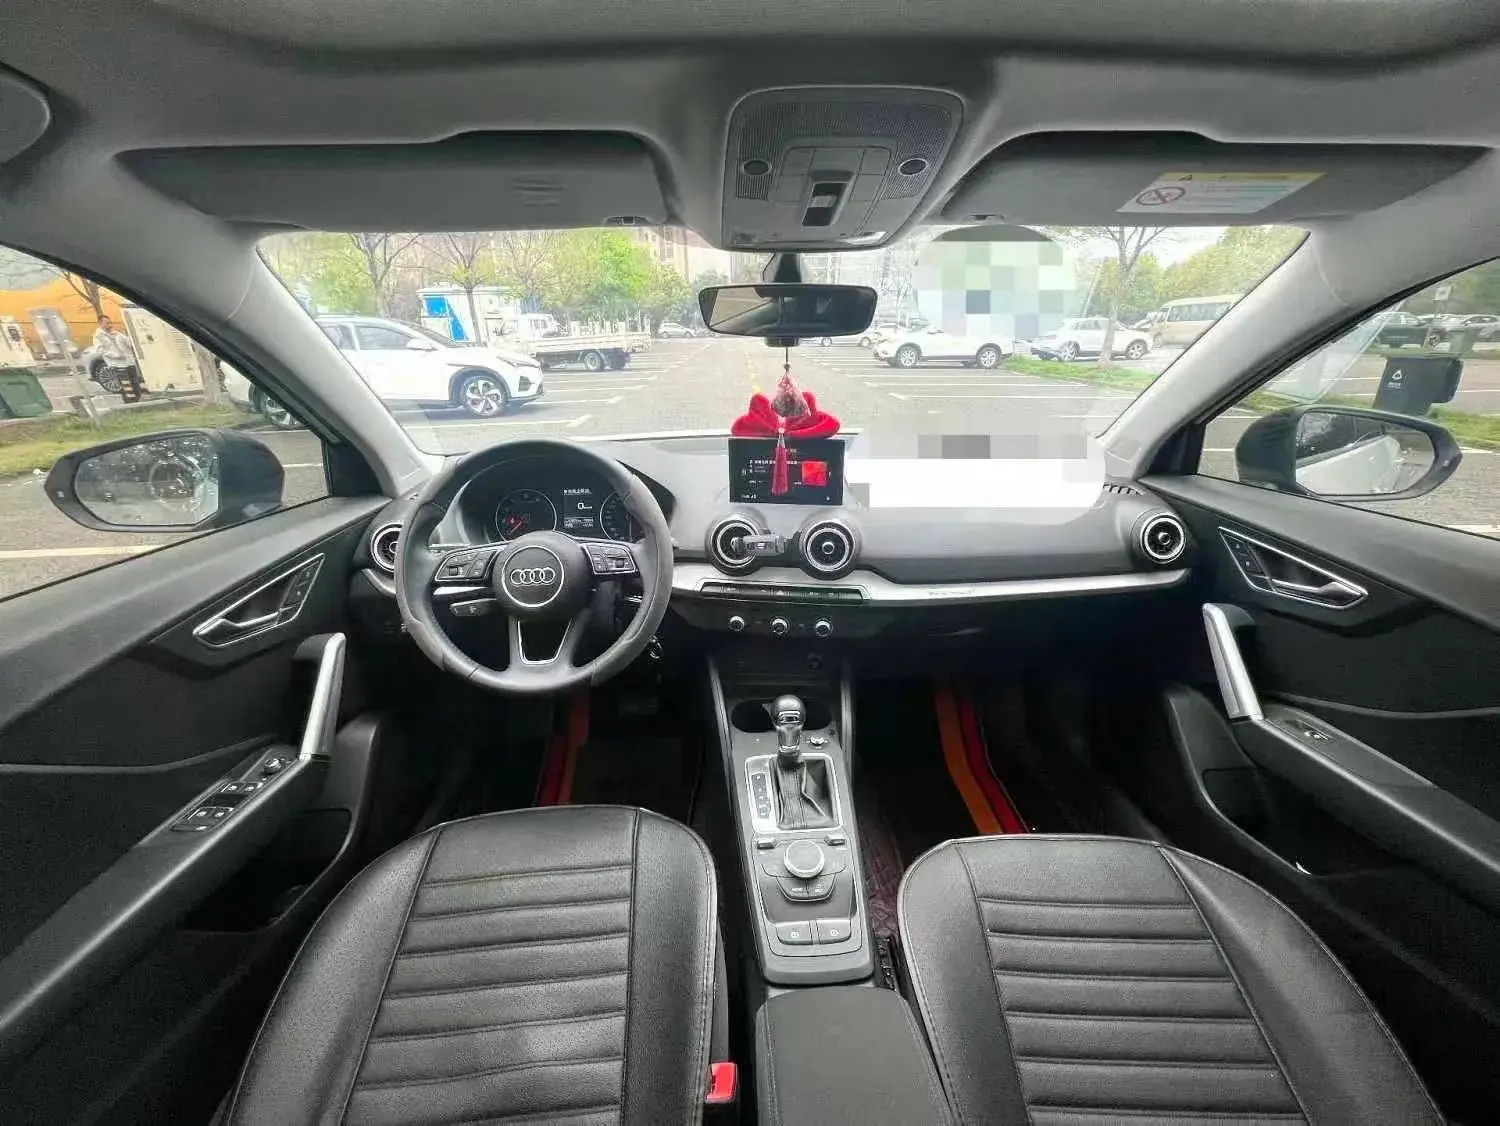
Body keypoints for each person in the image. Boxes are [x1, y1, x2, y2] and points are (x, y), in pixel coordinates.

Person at [92, 314, 142, 401]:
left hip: (129, 361)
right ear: (100, 324)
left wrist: (119, 334)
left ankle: (137, 400)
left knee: (135, 383)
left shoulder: (116, 333)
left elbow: (129, 343)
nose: (109, 324)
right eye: (107, 323)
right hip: (117, 363)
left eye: (110, 322)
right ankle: (130, 402)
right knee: (126, 384)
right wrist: (115, 355)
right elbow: (101, 350)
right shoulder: (98, 336)